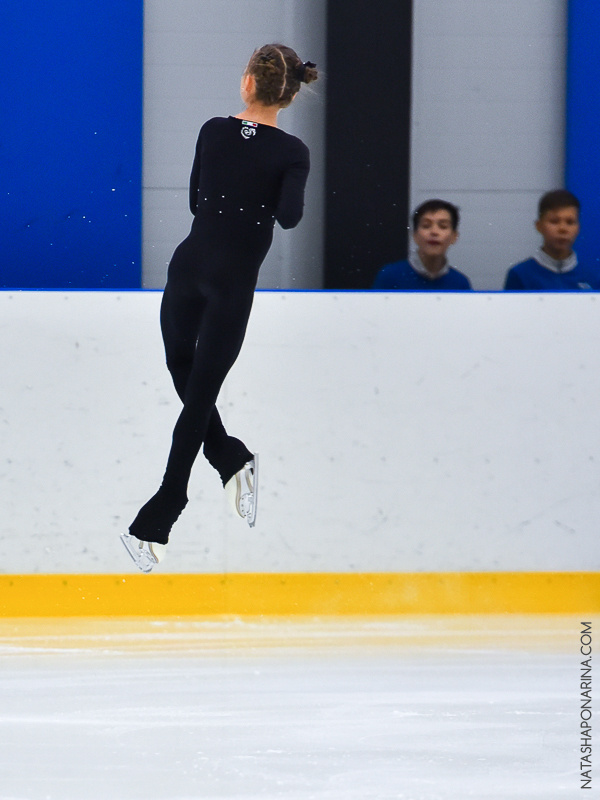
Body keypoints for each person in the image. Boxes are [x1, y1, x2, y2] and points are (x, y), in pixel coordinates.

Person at [121, 44, 318, 573]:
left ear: (247, 83)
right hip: (233, 283)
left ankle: (224, 462)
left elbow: (194, 200)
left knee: (180, 369)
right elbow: (292, 218)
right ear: (291, 94)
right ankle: (180, 496)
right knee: (199, 394)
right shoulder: (294, 152)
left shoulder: (212, 129)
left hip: (188, 269)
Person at [504, 190, 600, 291]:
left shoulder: (592, 278)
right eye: (554, 221)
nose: (562, 228)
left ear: (578, 228)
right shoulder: (520, 275)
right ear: (539, 226)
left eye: (570, 222)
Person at [372, 199, 472, 291]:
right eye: (426, 226)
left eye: (443, 226)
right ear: (415, 235)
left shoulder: (460, 283)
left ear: (454, 237)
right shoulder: (390, 276)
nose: (434, 232)